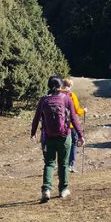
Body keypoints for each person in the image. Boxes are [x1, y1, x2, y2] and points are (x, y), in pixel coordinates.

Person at [32, 75, 84, 203]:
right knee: (64, 163)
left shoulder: (43, 100)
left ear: (49, 86)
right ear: (61, 86)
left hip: (47, 136)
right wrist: (81, 135)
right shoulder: (66, 98)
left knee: (49, 163)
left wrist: (33, 133)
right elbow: (73, 118)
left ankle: (46, 189)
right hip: (64, 136)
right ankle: (63, 189)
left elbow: (37, 117)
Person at [61, 78, 86, 173]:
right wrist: (84, 111)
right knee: (73, 143)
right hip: (71, 125)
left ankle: (62, 164)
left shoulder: (57, 95)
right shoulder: (71, 95)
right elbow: (76, 110)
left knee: (63, 145)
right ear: (70, 85)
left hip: (60, 125)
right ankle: (70, 165)